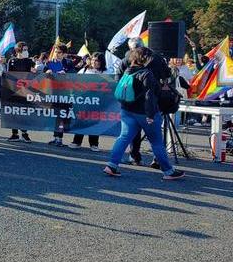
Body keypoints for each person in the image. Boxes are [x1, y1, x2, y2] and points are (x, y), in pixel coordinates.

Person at [104, 47, 185, 180]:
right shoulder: (146, 74)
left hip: (127, 110)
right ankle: (168, 171)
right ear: (145, 58)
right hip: (143, 113)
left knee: (123, 138)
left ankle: (111, 165)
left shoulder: (127, 71)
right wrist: (151, 115)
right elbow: (150, 97)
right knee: (156, 142)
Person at [117, 37, 171, 166]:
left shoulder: (126, 60)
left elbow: (118, 78)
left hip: (132, 101)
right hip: (153, 99)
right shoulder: (157, 58)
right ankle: (159, 161)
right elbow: (167, 75)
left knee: (130, 133)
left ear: (131, 48)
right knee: (156, 135)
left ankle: (132, 157)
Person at [70, 52, 107, 151]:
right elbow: (75, 82)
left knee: (94, 122)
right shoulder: (84, 70)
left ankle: (94, 144)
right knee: (81, 120)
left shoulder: (106, 73)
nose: (95, 62)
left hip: (98, 101)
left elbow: (110, 85)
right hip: (84, 100)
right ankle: (77, 142)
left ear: (101, 62)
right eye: (93, 60)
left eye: (97, 61)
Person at [44, 44, 77, 147]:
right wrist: (47, 72)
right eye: (55, 52)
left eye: (59, 52)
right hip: (53, 93)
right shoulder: (50, 62)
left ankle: (60, 138)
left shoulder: (68, 63)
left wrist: (65, 73)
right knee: (57, 115)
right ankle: (56, 137)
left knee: (63, 116)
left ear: (64, 54)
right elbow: (44, 72)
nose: (56, 54)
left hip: (65, 93)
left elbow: (74, 73)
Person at [6, 41, 35, 143]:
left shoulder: (29, 61)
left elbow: (32, 74)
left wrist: (34, 71)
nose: (26, 51)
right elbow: (8, 76)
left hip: (25, 90)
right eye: (24, 49)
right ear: (19, 50)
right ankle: (15, 134)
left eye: (27, 50)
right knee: (14, 112)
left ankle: (24, 133)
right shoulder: (12, 61)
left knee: (23, 112)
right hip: (14, 90)